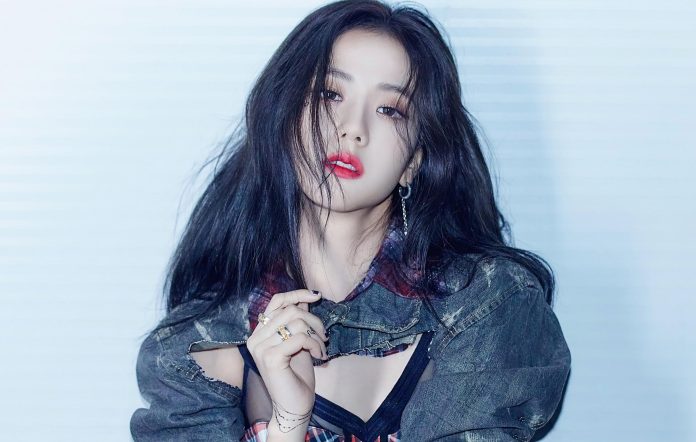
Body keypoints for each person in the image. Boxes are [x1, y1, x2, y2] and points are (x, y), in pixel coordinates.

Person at [129, 1, 571, 441]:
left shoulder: (485, 305)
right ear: (285, 119)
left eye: (390, 110)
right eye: (330, 94)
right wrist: (287, 424)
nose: (353, 128)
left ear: (413, 162)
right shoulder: (193, 351)